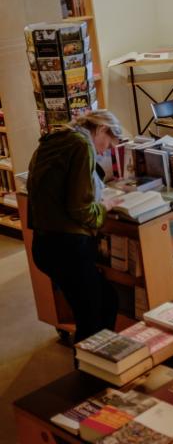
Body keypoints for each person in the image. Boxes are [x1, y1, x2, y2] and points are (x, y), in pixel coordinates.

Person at [28, 110, 124, 344]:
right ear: (101, 129)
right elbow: (79, 208)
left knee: (104, 301)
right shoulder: (82, 146)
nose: (104, 152)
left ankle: (98, 364)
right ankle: (91, 373)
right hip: (68, 247)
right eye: (108, 145)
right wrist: (104, 207)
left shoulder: (55, 139)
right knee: (92, 318)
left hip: (44, 244)